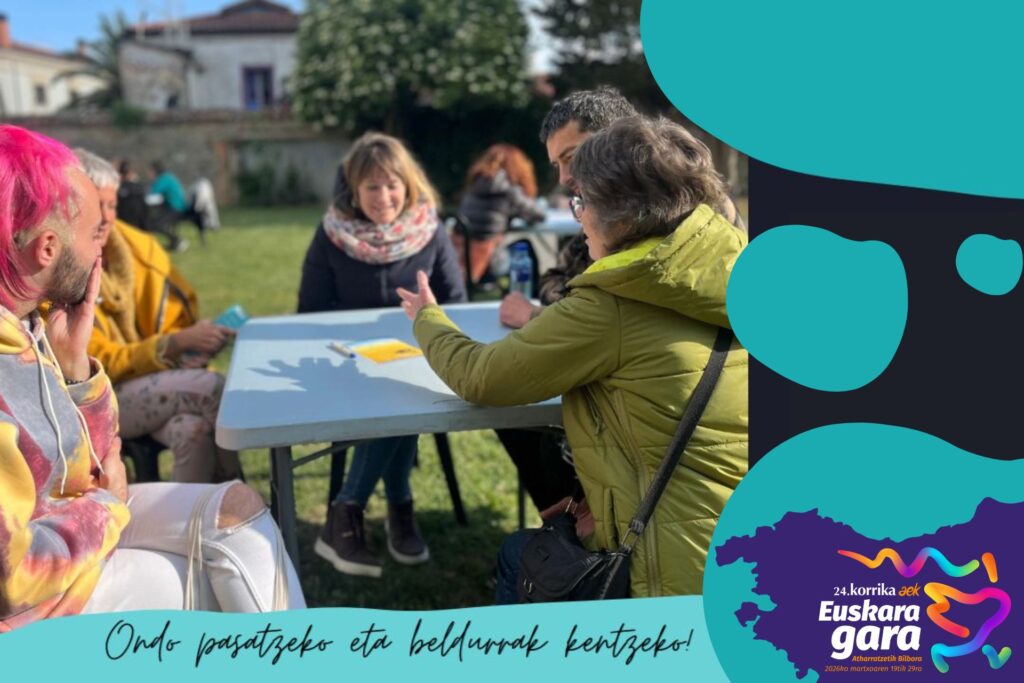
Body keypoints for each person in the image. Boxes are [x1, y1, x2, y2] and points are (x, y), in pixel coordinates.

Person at [398, 116, 749, 600]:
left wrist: (427, 317)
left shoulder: (611, 304)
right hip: (755, 553)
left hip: (669, 581)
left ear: (620, 214)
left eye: (582, 202)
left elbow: (480, 377)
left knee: (518, 555)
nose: (578, 217)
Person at [0, 125, 304, 630]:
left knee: (237, 513)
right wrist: (105, 507)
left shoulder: (31, 326)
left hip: (73, 525)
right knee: (216, 581)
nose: (104, 240)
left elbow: (93, 464)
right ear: (47, 247)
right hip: (36, 606)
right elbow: (12, 573)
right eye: (94, 231)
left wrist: (75, 370)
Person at [298, 132, 466, 578]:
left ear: (409, 185)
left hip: (418, 356)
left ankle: (347, 510)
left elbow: (457, 302)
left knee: (401, 388)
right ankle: (397, 506)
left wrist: (429, 321)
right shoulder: (332, 234)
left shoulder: (429, 230)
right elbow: (309, 311)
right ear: (353, 190)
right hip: (345, 362)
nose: (383, 196)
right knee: (397, 395)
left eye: (392, 185)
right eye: (371, 186)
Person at [76, 148, 242, 484]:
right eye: (97, 206)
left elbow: (176, 315)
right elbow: (92, 365)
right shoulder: (62, 267)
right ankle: (240, 496)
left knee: (192, 430)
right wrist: (172, 346)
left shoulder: (139, 248)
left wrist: (189, 348)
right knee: (212, 388)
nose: (106, 217)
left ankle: (193, 517)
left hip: (153, 380)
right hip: (94, 400)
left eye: (112, 205)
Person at [454, 143, 545, 285]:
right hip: (489, 264)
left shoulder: (473, 187)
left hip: (462, 262)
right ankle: (530, 295)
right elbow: (538, 215)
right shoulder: (509, 191)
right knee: (525, 247)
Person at [147, 160, 189, 252]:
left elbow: (152, 195)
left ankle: (178, 241)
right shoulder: (168, 177)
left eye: (150, 171)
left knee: (155, 224)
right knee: (154, 222)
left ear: (155, 170)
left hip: (176, 209)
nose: (148, 173)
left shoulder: (163, 179)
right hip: (176, 208)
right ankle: (174, 242)